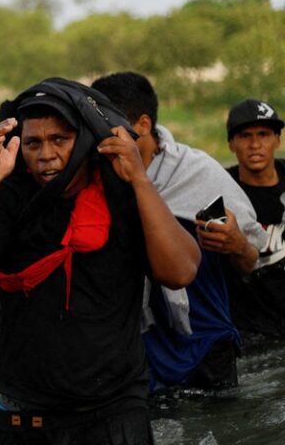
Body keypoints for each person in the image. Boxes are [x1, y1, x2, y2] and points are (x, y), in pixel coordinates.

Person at [0, 78, 200, 445]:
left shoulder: (121, 194)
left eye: (59, 140)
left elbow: (180, 272)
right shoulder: (9, 198)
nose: (46, 154)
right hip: (24, 415)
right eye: (33, 143)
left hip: (114, 411)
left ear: (83, 141)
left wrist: (141, 181)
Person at [92, 72, 262, 392]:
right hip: (136, 350)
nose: (99, 136)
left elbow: (250, 260)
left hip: (206, 343)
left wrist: (238, 243)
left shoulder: (197, 173)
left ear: (142, 124)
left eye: (106, 125)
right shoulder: (94, 182)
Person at [224, 98, 285, 339]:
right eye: (245, 136)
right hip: (250, 325)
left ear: (278, 140)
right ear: (231, 144)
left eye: (264, 134)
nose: (255, 144)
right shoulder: (220, 189)